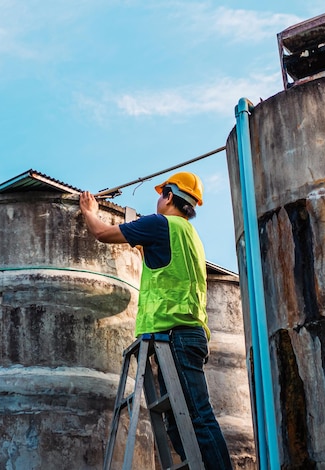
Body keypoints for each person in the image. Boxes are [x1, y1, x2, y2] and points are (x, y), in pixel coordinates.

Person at [79, 171, 233, 470]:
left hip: (173, 334)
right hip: (188, 334)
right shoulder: (188, 236)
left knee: (198, 417)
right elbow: (163, 261)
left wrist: (89, 211)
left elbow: (101, 234)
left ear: (170, 196)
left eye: (161, 193)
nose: (158, 199)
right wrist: (139, 244)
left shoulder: (158, 224)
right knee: (180, 421)